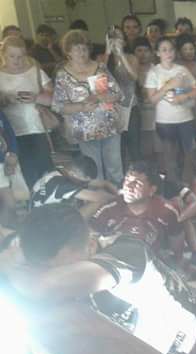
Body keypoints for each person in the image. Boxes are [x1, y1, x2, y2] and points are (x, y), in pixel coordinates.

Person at [1, 204, 196, 354]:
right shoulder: (52, 251)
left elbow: (43, 286)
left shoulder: (127, 252)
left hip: (189, 339)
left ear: (90, 245)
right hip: (146, 346)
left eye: (60, 269)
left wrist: (11, 264)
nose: (53, 274)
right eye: (40, 267)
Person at [90, 161, 196, 270]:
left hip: (152, 255)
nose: (129, 187)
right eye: (127, 181)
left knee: (178, 209)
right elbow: (91, 236)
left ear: (152, 189)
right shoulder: (110, 207)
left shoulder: (170, 190)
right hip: (114, 262)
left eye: (137, 183)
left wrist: (177, 217)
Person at [52, 30, 123, 184]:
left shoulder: (100, 67)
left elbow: (118, 94)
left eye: (84, 48)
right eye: (76, 49)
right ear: (68, 52)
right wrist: (82, 107)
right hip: (84, 130)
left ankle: (118, 195)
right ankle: (100, 198)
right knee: (94, 171)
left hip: (109, 125)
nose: (81, 52)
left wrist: (103, 96)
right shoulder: (62, 75)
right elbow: (59, 106)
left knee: (115, 168)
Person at [0, 35, 54, 188]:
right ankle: (33, 200)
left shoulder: (35, 71)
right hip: (11, 133)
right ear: (3, 55)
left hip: (37, 127)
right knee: (25, 174)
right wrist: (6, 99)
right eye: (12, 56)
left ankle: (49, 199)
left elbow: (54, 98)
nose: (16, 60)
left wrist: (36, 97)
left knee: (46, 172)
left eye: (20, 56)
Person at [144, 36, 196, 184]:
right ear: (157, 53)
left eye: (171, 50)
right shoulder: (154, 72)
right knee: (170, 157)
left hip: (186, 119)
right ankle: (174, 188)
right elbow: (152, 99)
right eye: (164, 50)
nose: (168, 53)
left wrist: (184, 96)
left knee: (189, 155)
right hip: (165, 122)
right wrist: (168, 86)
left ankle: (189, 186)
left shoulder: (182, 70)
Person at [30, 154, 118, 218]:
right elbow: (100, 198)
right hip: (46, 224)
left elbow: (103, 183)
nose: (84, 184)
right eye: (83, 182)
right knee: (98, 200)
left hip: (37, 214)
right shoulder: (64, 185)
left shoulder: (58, 172)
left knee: (94, 193)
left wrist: (109, 186)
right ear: (73, 174)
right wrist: (121, 199)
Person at [103, 26, 141, 167]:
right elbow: (98, 76)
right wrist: (107, 52)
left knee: (134, 146)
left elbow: (134, 77)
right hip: (110, 108)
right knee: (117, 149)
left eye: (118, 37)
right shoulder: (102, 58)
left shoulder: (131, 58)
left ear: (124, 41)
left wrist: (122, 55)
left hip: (131, 106)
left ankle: (137, 174)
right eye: (111, 37)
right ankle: (120, 177)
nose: (114, 40)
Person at [133, 37, 163, 165]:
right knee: (144, 153)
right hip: (138, 118)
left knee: (160, 151)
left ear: (151, 52)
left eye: (146, 50)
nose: (143, 54)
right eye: (139, 50)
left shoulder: (158, 70)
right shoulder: (130, 71)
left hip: (157, 117)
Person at [176, 34, 196, 128]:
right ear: (179, 51)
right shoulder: (175, 67)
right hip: (181, 109)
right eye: (185, 49)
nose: (189, 52)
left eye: (191, 49)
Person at [0, 110, 19, 226]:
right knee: (8, 201)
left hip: (3, 161)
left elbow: (9, 133)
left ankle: (9, 229)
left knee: (8, 203)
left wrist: (13, 153)